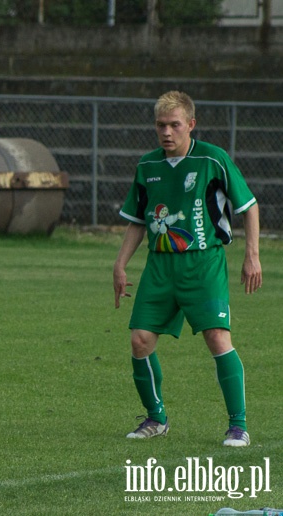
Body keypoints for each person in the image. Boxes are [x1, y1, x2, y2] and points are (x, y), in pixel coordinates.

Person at [114, 90, 262, 447]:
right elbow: (137, 220)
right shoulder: (147, 166)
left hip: (204, 263)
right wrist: (120, 265)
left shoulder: (213, 159)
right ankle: (156, 418)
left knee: (217, 337)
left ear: (190, 125)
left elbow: (249, 206)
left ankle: (238, 425)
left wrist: (252, 255)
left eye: (174, 125)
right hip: (160, 264)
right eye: (161, 125)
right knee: (140, 340)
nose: (166, 132)